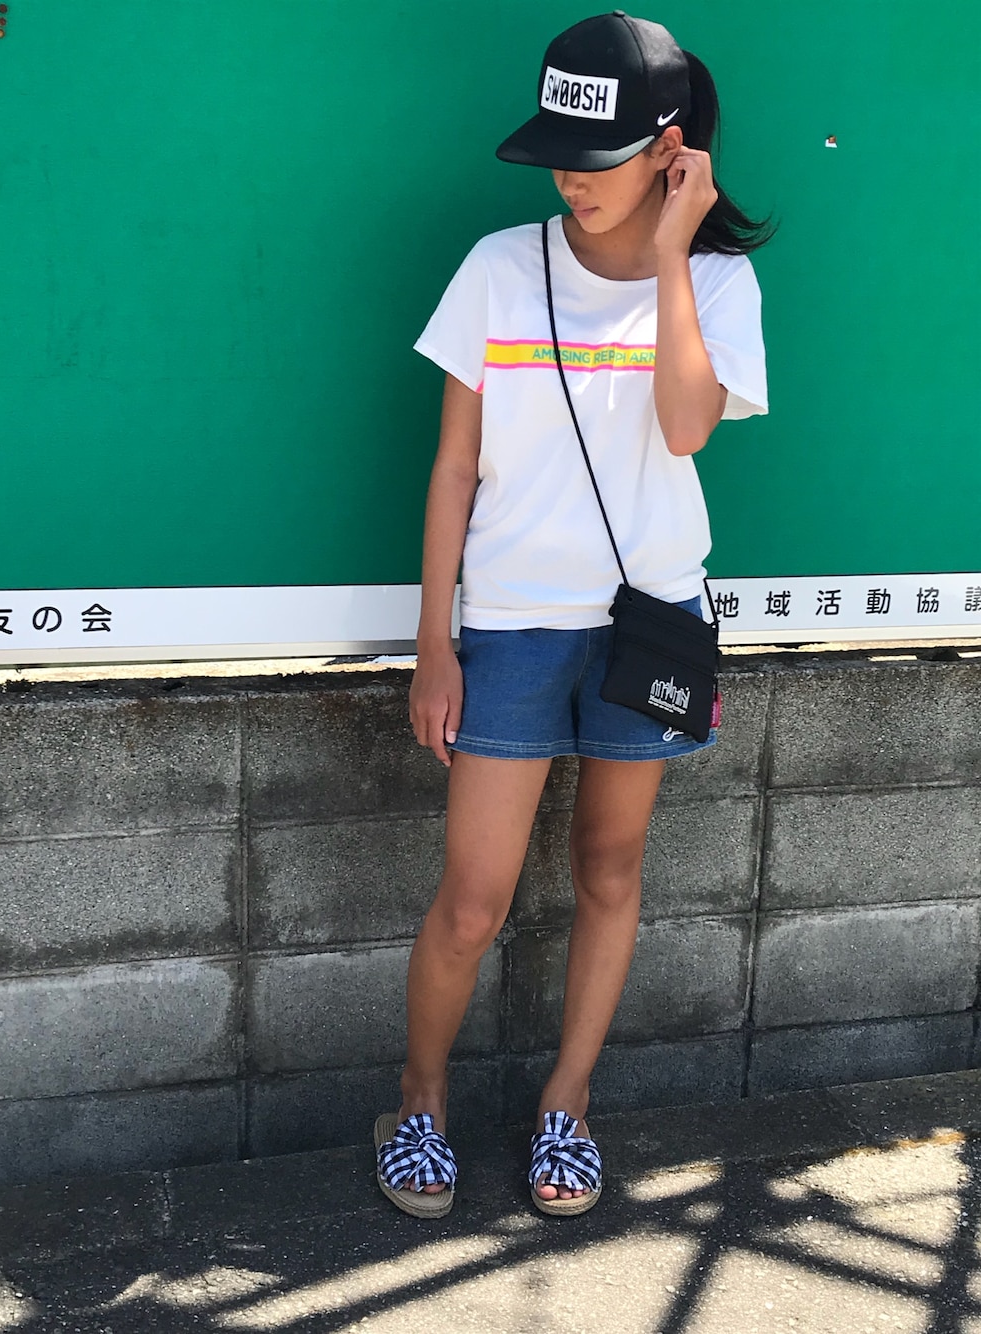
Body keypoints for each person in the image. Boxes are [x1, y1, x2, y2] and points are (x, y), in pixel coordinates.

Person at [374, 10, 771, 1218]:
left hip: (647, 624)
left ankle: (569, 1102)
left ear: (669, 151)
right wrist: (434, 642)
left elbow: (687, 427)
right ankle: (418, 1098)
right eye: (556, 155)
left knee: (609, 867)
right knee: (472, 901)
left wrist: (673, 252)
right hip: (509, 627)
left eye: (596, 158)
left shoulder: (716, 282)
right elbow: (453, 466)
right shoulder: (500, 267)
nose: (569, 180)